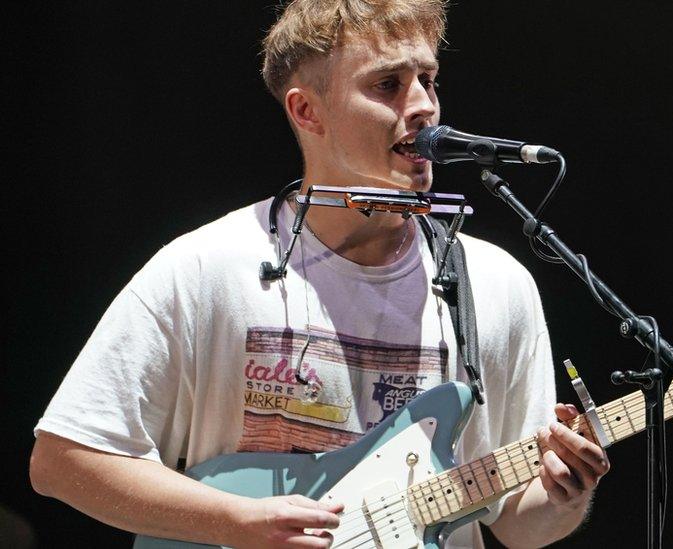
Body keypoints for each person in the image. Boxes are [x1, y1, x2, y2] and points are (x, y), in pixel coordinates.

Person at [28, 1, 610, 547]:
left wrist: (564, 495)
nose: (424, 106)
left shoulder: (497, 286)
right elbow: (62, 460)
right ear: (307, 110)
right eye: (388, 84)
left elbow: (516, 525)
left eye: (428, 81)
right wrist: (236, 520)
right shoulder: (208, 268)